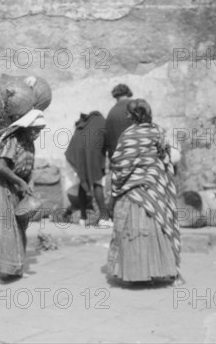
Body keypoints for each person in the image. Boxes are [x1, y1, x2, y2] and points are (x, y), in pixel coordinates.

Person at [107, 99, 183, 285]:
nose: (126, 116)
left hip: (132, 190)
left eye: (128, 113)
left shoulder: (129, 135)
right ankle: (166, 271)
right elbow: (165, 157)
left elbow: (119, 162)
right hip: (154, 189)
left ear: (133, 115)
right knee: (158, 227)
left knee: (133, 229)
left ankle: (136, 274)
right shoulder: (158, 131)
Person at [0, 109, 46, 284]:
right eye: (35, 129)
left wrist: (26, 186)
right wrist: (20, 183)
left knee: (17, 228)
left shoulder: (29, 143)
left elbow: (27, 168)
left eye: (40, 130)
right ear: (26, 127)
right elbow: (0, 165)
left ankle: (12, 268)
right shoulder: (12, 140)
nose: (37, 133)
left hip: (13, 187)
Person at [64, 111, 112, 228]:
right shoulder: (102, 122)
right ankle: (104, 218)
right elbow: (108, 142)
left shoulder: (85, 124)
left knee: (83, 181)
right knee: (97, 182)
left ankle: (83, 218)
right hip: (92, 154)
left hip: (77, 155)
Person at [104, 84, 134, 160]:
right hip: (135, 154)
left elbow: (107, 138)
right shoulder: (136, 106)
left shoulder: (112, 112)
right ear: (128, 93)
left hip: (118, 157)